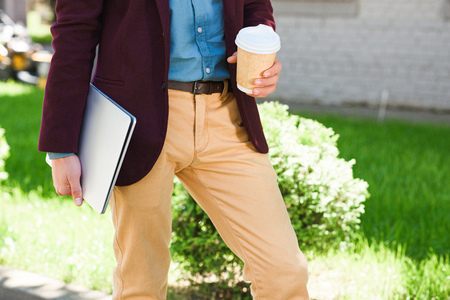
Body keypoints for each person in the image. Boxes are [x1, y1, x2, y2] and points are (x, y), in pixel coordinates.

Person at [39, 0, 310, 299]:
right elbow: (74, 35)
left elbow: (255, 6)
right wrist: (60, 147)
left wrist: (260, 42)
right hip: (138, 119)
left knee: (285, 271)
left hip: (227, 117)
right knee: (141, 284)